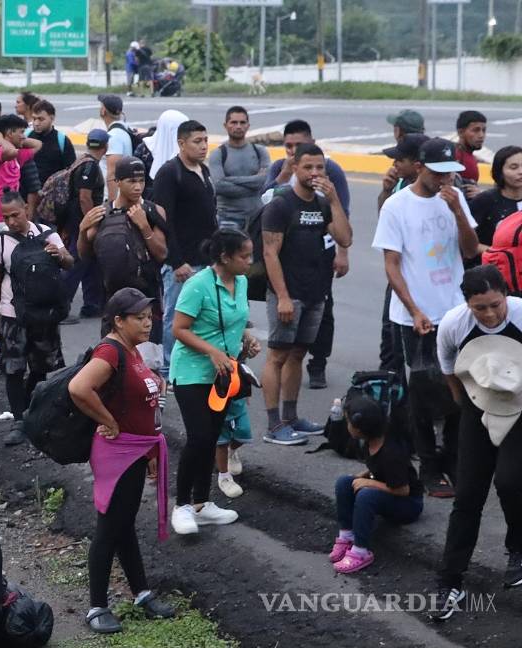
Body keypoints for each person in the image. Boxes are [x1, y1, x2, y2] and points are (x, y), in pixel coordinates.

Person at [372, 137, 480, 499]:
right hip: (415, 314)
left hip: (455, 309)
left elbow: (468, 251)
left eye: (451, 173)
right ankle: (429, 464)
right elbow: (391, 264)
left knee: (458, 385)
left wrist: (459, 213)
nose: (445, 180)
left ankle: (452, 458)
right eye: (438, 173)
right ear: (419, 168)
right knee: (422, 390)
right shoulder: (397, 206)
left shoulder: (455, 197)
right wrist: (415, 309)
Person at [69, 288, 176, 633]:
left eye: (149, 317)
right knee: (109, 529)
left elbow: (140, 404)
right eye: (140, 318)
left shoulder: (131, 350)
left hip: (135, 450)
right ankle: (97, 607)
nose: (148, 323)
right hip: (117, 453)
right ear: (119, 321)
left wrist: (149, 453)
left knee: (124, 525)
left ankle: (141, 593)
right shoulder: (110, 350)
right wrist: (107, 420)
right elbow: (79, 387)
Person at [431, 265, 522, 621]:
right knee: (467, 495)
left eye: (495, 305)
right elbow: (450, 372)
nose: (489, 314)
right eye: (480, 307)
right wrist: (470, 408)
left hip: (520, 409)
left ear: (506, 295)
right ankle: (449, 581)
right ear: (467, 303)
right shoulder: (453, 325)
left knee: (511, 481)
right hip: (478, 406)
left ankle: (517, 549)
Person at [169, 229, 260, 535]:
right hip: (193, 373)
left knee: (212, 437)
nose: (250, 261)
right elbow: (179, 329)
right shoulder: (198, 285)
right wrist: (211, 351)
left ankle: (202, 504)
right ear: (224, 257)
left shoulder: (243, 282)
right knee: (198, 438)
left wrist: (247, 338)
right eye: (244, 256)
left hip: (224, 375)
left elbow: (236, 320)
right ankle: (181, 506)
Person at [260, 144, 352, 446]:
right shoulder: (281, 204)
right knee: (277, 356)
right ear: (295, 168)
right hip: (289, 295)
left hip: (316, 294)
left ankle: (291, 416)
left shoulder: (324, 204)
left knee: (298, 354)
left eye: (320, 168)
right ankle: (274, 426)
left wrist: (335, 198)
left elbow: (345, 238)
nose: (314, 174)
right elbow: (270, 253)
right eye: (308, 167)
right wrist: (283, 297)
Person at [0, 190, 74, 445]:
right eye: (6, 217)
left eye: (15, 215)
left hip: (44, 314)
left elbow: (69, 262)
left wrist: (60, 254)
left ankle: (29, 413)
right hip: (12, 315)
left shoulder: (47, 234)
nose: (11, 221)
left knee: (41, 367)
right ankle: (18, 421)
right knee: (13, 369)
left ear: (26, 208)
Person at [330, 394, 424, 574]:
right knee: (344, 482)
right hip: (388, 488)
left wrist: (368, 483)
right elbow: (376, 467)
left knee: (366, 494)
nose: (346, 425)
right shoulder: (370, 441)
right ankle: (347, 535)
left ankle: (360, 551)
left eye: (348, 422)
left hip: (409, 504)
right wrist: (363, 476)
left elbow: (403, 490)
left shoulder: (391, 452)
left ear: (359, 428)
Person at [77, 156, 168, 335]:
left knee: (149, 361)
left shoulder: (154, 211)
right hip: (113, 302)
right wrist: (82, 229)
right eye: (131, 181)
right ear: (117, 181)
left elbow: (161, 254)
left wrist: (144, 227)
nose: (137, 187)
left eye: (141, 181)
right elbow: (84, 254)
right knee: (114, 358)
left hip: (147, 301)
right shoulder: (103, 213)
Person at [154, 119, 216, 378]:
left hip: (207, 261)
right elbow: (162, 220)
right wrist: (176, 261)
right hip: (182, 264)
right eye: (197, 141)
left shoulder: (204, 170)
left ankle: (197, 362)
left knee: (203, 316)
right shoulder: (169, 173)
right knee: (176, 318)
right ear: (181, 143)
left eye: (205, 141)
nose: (203, 146)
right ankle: (169, 369)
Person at [63, 130, 110, 320]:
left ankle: (92, 305)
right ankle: (60, 307)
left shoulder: (81, 160)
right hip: (81, 223)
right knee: (77, 262)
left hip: (76, 220)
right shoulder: (90, 166)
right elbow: (84, 197)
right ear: (105, 147)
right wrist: (91, 223)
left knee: (90, 262)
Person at [0, 115, 41, 226]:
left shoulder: (16, 155)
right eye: (21, 132)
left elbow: (37, 145)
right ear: (10, 133)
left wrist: (14, 139)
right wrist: (0, 138)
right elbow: (10, 151)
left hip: (10, 223)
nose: (24, 136)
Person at [209, 106, 269, 230]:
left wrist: (230, 180)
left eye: (242, 122)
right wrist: (253, 185)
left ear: (248, 125)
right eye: (234, 122)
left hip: (257, 217)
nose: (238, 126)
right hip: (228, 218)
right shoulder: (218, 154)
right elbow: (219, 186)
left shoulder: (260, 151)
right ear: (225, 125)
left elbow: (262, 182)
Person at [468, 145, 522, 254]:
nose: (520, 171)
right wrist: (500, 254)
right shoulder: (484, 201)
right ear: (499, 171)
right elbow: (468, 244)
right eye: (513, 167)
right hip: (492, 266)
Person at [28, 99, 76, 186]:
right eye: (34, 119)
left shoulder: (62, 141)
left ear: (52, 118)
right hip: (27, 194)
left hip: (53, 194)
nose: (36, 123)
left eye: (41, 119)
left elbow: (71, 171)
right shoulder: (26, 137)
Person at [377, 133, 428, 211]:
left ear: (417, 164)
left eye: (399, 160)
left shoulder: (433, 191)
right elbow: (386, 217)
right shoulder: (401, 184)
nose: (394, 164)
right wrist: (387, 191)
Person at [98, 94, 131, 200]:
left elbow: (112, 173)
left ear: (103, 110)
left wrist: (112, 206)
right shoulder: (124, 129)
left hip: (112, 196)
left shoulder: (114, 136)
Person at [455, 110, 487, 194]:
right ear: (461, 132)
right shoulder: (457, 157)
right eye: (476, 130)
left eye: (483, 130)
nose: (481, 135)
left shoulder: (468, 155)